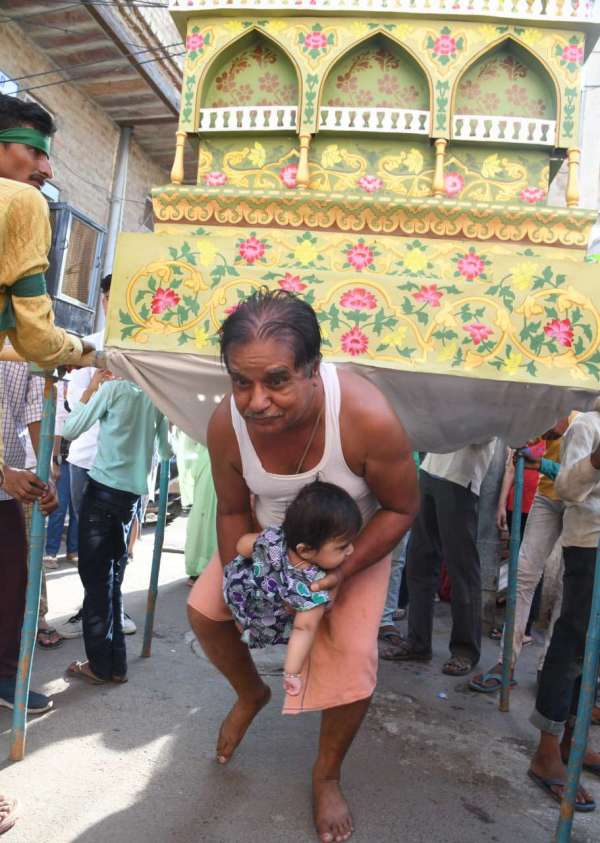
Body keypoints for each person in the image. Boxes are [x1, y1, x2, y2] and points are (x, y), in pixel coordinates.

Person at [187, 288, 418, 843]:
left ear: (313, 370)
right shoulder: (227, 425)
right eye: (241, 382)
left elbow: (402, 506)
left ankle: (326, 775)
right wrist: (245, 587)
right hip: (266, 544)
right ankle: (251, 693)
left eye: (277, 381)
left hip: (350, 545)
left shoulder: (366, 416)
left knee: (355, 660)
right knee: (204, 612)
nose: (256, 401)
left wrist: (343, 568)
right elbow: (235, 508)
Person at [0, 93, 91, 837]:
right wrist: (84, 352)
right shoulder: (17, 203)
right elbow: (35, 331)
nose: (44, 167)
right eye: (33, 151)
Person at [62, 376, 171, 684]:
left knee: (96, 583)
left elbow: (70, 429)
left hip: (102, 493)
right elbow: (166, 451)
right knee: (112, 581)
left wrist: (90, 388)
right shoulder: (155, 392)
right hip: (130, 500)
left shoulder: (112, 389)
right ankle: (116, 665)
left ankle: (99, 666)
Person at [528, 401, 600, 812]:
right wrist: (596, 461)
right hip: (589, 545)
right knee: (572, 643)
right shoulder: (587, 427)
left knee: (595, 651)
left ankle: (574, 741)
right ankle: (547, 751)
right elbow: (569, 491)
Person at [225, 480, 361, 696]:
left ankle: (241, 621)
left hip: (236, 590)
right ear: (305, 550)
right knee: (283, 623)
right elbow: (303, 629)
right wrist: (292, 673)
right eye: (343, 546)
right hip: (265, 619)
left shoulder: (274, 537)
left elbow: (241, 545)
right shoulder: (311, 586)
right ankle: (248, 627)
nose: (351, 550)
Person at [470, 419, 570, 694]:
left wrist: (544, 464)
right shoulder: (560, 395)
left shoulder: (586, 415)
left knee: (567, 587)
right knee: (523, 574)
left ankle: (549, 666)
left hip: (583, 502)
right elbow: (534, 433)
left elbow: (584, 474)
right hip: (548, 495)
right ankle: (506, 663)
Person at [393, 442, 496, 675]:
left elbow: (483, 434)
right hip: (430, 469)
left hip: (462, 477)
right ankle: (418, 641)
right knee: (419, 560)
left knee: (462, 569)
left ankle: (465, 650)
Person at [174, 431, 217, 586]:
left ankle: (206, 569)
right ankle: (204, 569)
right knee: (205, 519)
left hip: (213, 460)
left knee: (208, 520)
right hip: (209, 462)